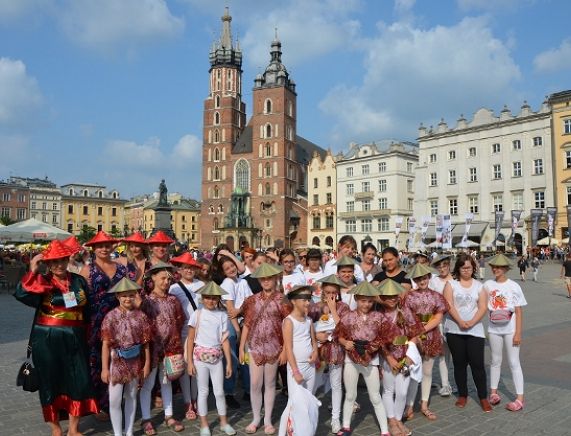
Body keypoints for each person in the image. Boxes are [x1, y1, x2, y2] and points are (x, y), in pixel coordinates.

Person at [14, 240, 98, 436]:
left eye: (61, 260)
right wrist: (33, 270)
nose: (58, 265)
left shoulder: (78, 281)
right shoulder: (42, 281)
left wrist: (88, 335)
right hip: (47, 339)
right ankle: (55, 428)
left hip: (76, 337)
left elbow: (87, 310)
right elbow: (21, 294)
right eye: (53, 262)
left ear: (67, 259)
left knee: (78, 379)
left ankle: (74, 428)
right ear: (47, 263)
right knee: (49, 380)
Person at [335, 281, 397, 436]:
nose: (367, 304)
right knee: (350, 395)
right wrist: (345, 342)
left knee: (375, 396)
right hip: (351, 360)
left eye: (370, 301)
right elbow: (338, 335)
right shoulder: (348, 316)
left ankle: (384, 430)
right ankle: (346, 426)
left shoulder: (379, 317)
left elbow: (389, 335)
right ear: (356, 298)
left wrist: (377, 344)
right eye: (363, 300)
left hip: (371, 360)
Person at [239, 263, 291, 435]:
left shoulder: (283, 300)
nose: (266, 281)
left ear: (275, 279)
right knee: (255, 383)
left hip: (274, 346)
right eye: (263, 278)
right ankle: (255, 418)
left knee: (269, 384)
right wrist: (241, 347)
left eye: (269, 278)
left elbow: (288, 325)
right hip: (254, 345)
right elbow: (246, 324)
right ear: (259, 280)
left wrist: (285, 349)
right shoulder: (251, 300)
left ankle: (267, 419)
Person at [80, 230, 128, 419]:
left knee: (118, 360)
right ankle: (99, 403)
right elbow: (80, 298)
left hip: (119, 322)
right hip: (96, 322)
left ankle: (114, 399)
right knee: (98, 362)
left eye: (107, 245)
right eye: (99, 246)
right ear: (93, 248)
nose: (103, 248)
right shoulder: (88, 270)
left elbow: (129, 293)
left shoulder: (122, 268)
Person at [139, 261, 185, 435]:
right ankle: (146, 418)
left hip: (170, 347)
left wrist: (173, 340)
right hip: (152, 348)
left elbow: (179, 321)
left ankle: (169, 415)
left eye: (169, 278)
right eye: (163, 278)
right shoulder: (147, 301)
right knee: (148, 384)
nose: (166, 282)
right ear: (153, 278)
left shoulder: (174, 300)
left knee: (166, 382)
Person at [101, 278, 152, 436]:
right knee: (115, 399)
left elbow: (146, 343)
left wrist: (147, 363)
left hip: (135, 360)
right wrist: (104, 368)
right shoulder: (110, 317)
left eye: (130, 295)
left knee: (131, 395)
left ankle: (129, 431)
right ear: (118, 296)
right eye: (124, 296)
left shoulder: (141, 316)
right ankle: (117, 433)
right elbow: (105, 343)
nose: (127, 299)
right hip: (117, 361)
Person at [187, 282, 237, 436]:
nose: (210, 301)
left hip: (216, 357)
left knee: (219, 392)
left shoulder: (222, 315)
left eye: (214, 298)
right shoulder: (197, 314)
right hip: (200, 358)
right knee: (203, 391)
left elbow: (224, 340)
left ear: (218, 299)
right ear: (202, 298)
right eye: (207, 298)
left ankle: (223, 422)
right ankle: (204, 424)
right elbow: (190, 339)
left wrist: (228, 362)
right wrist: (189, 361)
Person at [443, 253, 491, 412]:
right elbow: (448, 304)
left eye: (469, 267)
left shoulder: (479, 285)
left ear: (473, 268)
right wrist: (460, 321)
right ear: (458, 268)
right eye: (463, 267)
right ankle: (462, 394)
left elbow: (483, 306)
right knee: (459, 364)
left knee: (478, 364)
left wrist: (471, 322)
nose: (466, 270)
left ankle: (483, 397)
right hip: (454, 329)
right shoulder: (451, 284)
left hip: (475, 330)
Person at [403, 263, 448, 422]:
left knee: (427, 372)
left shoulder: (436, 296)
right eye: (418, 278)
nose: (422, 281)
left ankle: (424, 405)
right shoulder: (408, 296)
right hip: (413, 336)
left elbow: (438, 315)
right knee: (413, 371)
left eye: (424, 278)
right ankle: (409, 405)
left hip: (431, 334)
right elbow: (407, 317)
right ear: (415, 279)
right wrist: (417, 331)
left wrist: (424, 329)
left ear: (429, 277)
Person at [378, 279, 424, 436]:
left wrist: (410, 353)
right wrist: (389, 358)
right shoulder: (379, 316)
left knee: (402, 391)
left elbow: (415, 334)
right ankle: (392, 421)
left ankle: (398, 418)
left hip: (405, 357)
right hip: (387, 358)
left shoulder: (405, 312)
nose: (392, 298)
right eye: (388, 296)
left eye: (394, 295)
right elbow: (378, 341)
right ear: (382, 297)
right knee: (388, 389)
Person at [484, 254, 527, 412]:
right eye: (494, 267)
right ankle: (493, 393)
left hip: (510, 329)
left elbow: (519, 311)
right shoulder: (487, 285)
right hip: (494, 328)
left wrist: (518, 333)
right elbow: (481, 304)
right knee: (495, 361)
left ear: (506, 269)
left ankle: (520, 398)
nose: (496, 269)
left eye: (499, 267)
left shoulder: (514, 286)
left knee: (514, 362)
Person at [310, 275, 350, 434]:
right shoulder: (315, 307)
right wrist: (316, 335)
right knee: (313, 385)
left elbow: (344, 329)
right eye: (327, 292)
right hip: (318, 352)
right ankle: (309, 415)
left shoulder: (343, 307)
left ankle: (335, 419)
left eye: (334, 292)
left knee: (336, 385)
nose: (331, 295)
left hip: (336, 350)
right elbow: (306, 326)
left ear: (338, 292)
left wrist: (333, 309)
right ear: (322, 291)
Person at [169, 252, 204, 420]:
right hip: (183, 332)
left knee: (197, 366)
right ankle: (187, 401)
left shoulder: (202, 284)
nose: (189, 271)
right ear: (180, 270)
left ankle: (196, 399)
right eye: (185, 268)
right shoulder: (174, 288)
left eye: (192, 268)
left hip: (201, 332)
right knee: (184, 367)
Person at [219, 255, 253, 408]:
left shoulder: (243, 281)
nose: (231, 269)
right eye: (227, 269)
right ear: (223, 272)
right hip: (232, 324)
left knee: (246, 357)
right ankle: (229, 392)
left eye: (232, 266)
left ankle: (248, 389)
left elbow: (250, 302)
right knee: (231, 357)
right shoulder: (227, 283)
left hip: (245, 320)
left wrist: (241, 310)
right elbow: (230, 311)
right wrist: (238, 331)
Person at [283, 284, 319, 396]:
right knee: (296, 402)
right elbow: (288, 348)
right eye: (304, 300)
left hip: (310, 366)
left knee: (309, 399)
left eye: (309, 300)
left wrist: (316, 352)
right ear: (293, 301)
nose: (308, 303)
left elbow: (313, 340)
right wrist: (295, 372)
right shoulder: (289, 321)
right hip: (297, 367)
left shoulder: (309, 320)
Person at [428, 254, 454, 397]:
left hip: (452, 321)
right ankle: (443, 384)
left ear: (449, 265)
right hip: (437, 321)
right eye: (439, 266)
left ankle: (449, 383)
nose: (442, 268)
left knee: (450, 354)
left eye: (445, 265)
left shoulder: (455, 280)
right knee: (441, 353)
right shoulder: (434, 281)